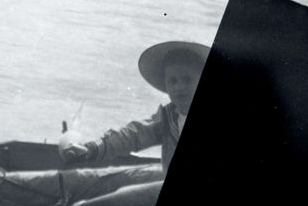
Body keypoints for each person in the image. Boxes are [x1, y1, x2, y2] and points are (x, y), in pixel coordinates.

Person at [61, 40, 209, 173]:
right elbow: (134, 135)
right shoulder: (168, 117)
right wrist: (92, 149)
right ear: (166, 84)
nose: (179, 86)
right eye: (173, 81)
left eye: (187, 79)